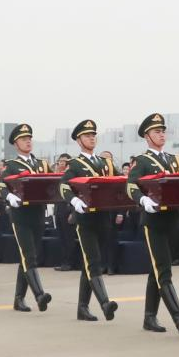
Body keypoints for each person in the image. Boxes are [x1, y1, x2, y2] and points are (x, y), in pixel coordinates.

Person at [125, 113, 179, 334]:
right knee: (163, 269)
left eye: (163, 131)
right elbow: (130, 185)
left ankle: (149, 317)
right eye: (157, 131)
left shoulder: (175, 160)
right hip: (153, 221)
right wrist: (142, 199)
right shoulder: (143, 161)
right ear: (147, 136)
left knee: (158, 269)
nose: (161, 135)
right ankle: (178, 316)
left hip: (173, 220)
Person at [59, 119, 119, 322]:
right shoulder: (74, 164)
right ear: (79, 140)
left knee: (90, 263)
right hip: (84, 220)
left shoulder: (105, 164)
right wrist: (74, 201)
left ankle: (82, 308)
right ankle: (105, 303)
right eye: (87, 135)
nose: (92, 138)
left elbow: (119, 183)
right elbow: (64, 186)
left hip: (103, 218)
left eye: (93, 135)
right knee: (93, 261)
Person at [0, 124, 52, 313]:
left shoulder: (41, 164)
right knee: (29, 255)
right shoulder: (11, 165)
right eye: (23, 139)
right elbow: (1, 185)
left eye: (29, 138)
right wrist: (9, 196)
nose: (28, 141)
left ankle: (18, 299)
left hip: (37, 214)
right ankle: (39, 294)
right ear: (15, 144)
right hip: (20, 215)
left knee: (28, 256)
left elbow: (52, 182)